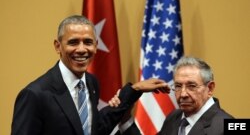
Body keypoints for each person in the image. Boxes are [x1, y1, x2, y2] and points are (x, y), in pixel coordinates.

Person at [11, 15, 170, 135]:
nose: (81, 49)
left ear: (95, 46)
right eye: (73, 42)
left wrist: (134, 90)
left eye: (88, 42)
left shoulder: (91, 83)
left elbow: (94, 130)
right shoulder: (34, 95)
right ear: (58, 46)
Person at [110, 56, 234, 135]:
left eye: (192, 86)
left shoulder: (227, 126)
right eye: (178, 86)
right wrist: (125, 118)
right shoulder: (174, 118)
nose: (183, 94)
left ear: (210, 88)